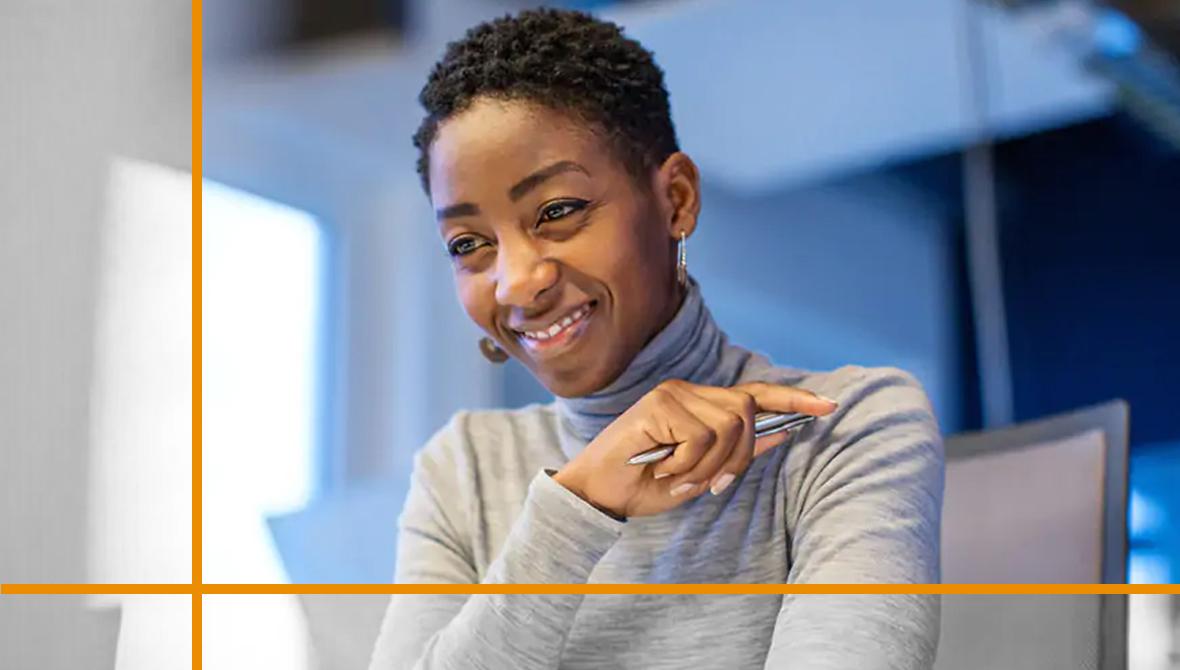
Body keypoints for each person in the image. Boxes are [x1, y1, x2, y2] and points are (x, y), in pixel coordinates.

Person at [370, 8, 944, 669]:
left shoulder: (848, 427)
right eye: (469, 244)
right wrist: (578, 503)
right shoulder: (465, 469)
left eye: (558, 211)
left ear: (675, 200)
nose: (518, 284)